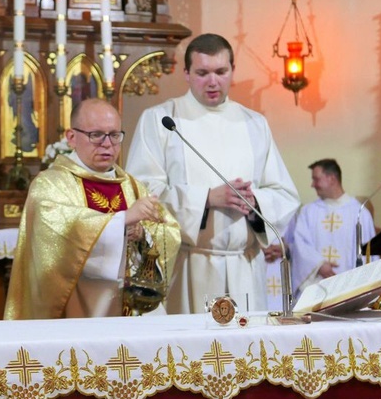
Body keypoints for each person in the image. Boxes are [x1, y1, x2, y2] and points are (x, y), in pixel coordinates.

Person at [126, 33, 300, 313]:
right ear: (186, 73)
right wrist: (206, 199)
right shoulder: (161, 120)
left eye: (221, 71)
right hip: (188, 266)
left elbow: (285, 194)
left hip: (246, 267)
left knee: (247, 356)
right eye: (202, 72)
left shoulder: (255, 124)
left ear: (232, 71)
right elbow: (142, 192)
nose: (213, 81)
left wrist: (255, 203)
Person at [4, 98, 181, 319]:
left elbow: (169, 230)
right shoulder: (50, 184)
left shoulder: (132, 186)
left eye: (115, 135)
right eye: (96, 135)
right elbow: (60, 235)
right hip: (78, 309)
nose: (107, 144)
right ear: (71, 137)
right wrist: (123, 220)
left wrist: (142, 234)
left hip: (132, 306)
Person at [289, 158, 376, 297]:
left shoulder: (359, 213)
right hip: (315, 288)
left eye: (316, 179)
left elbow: (370, 253)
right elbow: (301, 245)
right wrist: (318, 264)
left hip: (350, 289)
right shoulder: (308, 211)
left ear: (332, 178)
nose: (312, 184)